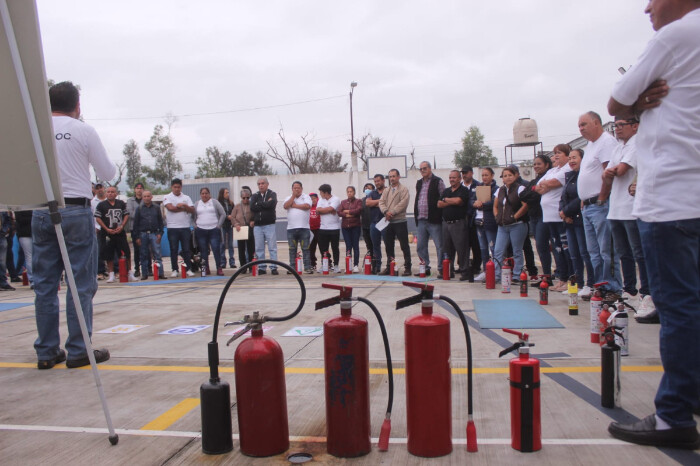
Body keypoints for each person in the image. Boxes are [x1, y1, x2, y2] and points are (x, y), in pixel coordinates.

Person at [606, 0, 700, 449]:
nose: (647, 7)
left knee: (679, 308)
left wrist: (639, 103)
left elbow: (616, 101)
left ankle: (674, 415)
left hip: (672, 199)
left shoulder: (677, 35)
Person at [33, 81, 115, 369]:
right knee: (79, 283)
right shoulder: (83, 130)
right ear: (77, 106)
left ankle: (46, 351)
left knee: (44, 284)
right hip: (76, 211)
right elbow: (107, 171)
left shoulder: (36, 130)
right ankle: (79, 349)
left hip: (42, 209)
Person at [602, 117, 654, 313]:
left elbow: (621, 170)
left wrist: (611, 171)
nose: (618, 129)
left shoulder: (637, 143)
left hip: (631, 209)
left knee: (639, 253)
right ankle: (629, 291)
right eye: (615, 126)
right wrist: (610, 171)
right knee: (624, 254)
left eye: (621, 125)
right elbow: (607, 174)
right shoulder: (618, 147)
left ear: (635, 126)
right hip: (615, 208)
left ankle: (646, 293)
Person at [576, 111, 623, 297]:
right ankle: (600, 286)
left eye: (584, 124)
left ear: (596, 123)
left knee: (607, 251)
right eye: (579, 125)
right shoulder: (590, 145)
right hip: (588, 206)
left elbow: (608, 172)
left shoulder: (606, 142)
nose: (580, 128)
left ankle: (612, 288)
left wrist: (603, 197)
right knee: (593, 252)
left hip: (600, 204)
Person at [535, 144, 573, 292]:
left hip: (559, 215)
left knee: (565, 248)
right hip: (548, 216)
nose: (556, 155)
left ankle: (570, 278)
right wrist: (545, 185)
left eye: (560, 153)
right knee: (557, 248)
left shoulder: (567, 169)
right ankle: (562, 278)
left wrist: (547, 185)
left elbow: (554, 183)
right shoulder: (552, 170)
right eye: (555, 153)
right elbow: (538, 187)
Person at [559, 149, 594, 297]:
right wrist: (563, 212)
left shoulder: (584, 176)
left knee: (584, 252)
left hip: (579, 218)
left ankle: (590, 284)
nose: (572, 161)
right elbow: (563, 197)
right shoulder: (570, 176)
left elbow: (580, 196)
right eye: (570, 158)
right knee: (574, 254)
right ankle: (578, 283)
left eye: (575, 158)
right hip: (569, 221)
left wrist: (566, 211)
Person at [493, 166, 529, 282]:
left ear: (515, 176)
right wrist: (497, 216)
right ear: (502, 178)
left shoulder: (520, 188)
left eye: (510, 175)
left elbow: (525, 205)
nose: (507, 178)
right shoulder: (500, 190)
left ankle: (517, 275)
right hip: (502, 226)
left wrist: (515, 217)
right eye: (505, 176)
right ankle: (496, 275)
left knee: (517, 250)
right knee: (498, 251)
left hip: (517, 225)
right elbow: (495, 205)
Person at [520, 155, 552, 284]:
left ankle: (547, 277)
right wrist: (534, 190)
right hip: (533, 216)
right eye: (534, 164)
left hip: (543, 216)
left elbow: (535, 197)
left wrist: (533, 193)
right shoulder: (534, 181)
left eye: (539, 164)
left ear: (547, 165)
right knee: (540, 247)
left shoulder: (548, 178)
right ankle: (545, 275)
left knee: (543, 246)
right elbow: (523, 195)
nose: (536, 166)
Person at [95, 186, 136, 283]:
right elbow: (97, 218)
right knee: (108, 254)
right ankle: (111, 274)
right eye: (108, 192)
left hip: (119, 232)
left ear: (116, 193)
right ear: (106, 193)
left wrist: (122, 226)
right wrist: (106, 229)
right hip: (107, 233)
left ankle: (130, 272)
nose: (110, 193)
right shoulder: (101, 205)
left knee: (126, 252)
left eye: (112, 192)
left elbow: (126, 215)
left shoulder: (121, 203)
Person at [437, 170, 472, 281]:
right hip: (446, 224)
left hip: (459, 224)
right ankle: (448, 271)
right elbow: (439, 204)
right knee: (447, 250)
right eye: (450, 177)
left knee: (462, 249)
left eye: (454, 178)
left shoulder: (464, 190)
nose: (452, 180)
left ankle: (464, 271)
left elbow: (458, 201)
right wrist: (449, 201)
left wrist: (446, 200)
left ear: (460, 178)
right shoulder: (446, 190)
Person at [379, 169, 412, 276]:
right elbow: (381, 202)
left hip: (400, 221)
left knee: (404, 245)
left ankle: (408, 267)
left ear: (398, 177)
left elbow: (403, 203)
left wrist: (392, 212)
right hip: (388, 222)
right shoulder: (386, 190)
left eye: (394, 176)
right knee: (388, 245)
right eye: (390, 176)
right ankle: (390, 266)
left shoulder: (403, 190)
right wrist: (385, 211)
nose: (392, 178)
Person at [414, 161, 445, 276]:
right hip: (421, 219)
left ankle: (442, 268)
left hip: (434, 220)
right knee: (420, 246)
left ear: (430, 169)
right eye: (421, 169)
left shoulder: (438, 181)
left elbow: (443, 197)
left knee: (439, 246)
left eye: (425, 168)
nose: (423, 170)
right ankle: (425, 268)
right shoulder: (419, 183)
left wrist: (439, 214)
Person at [163, 178, 195, 278]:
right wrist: (184, 208)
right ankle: (175, 269)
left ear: (181, 187)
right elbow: (170, 208)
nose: (177, 189)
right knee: (174, 249)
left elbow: (192, 210)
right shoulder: (167, 197)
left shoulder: (186, 197)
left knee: (186, 249)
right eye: (175, 187)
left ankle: (188, 269)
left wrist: (184, 205)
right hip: (172, 227)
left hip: (185, 227)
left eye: (178, 187)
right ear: (172, 187)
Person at [132, 190, 166, 280]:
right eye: (145, 196)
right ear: (142, 198)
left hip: (154, 233)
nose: (146, 198)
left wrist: (160, 233)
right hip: (143, 234)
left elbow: (160, 221)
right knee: (143, 255)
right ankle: (144, 273)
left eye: (148, 196)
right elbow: (135, 224)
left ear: (151, 197)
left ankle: (160, 273)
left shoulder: (156, 207)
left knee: (157, 254)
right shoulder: (139, 208)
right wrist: (137, 237)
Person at [193, 187, 225, 275]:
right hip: (201, 230)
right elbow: (192, 216)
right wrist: (195, 226)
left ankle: (219, 268)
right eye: (202, 193)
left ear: (209, 194)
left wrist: (219, 225)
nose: (204, 195)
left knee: (216, 249)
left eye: (206, 193)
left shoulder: (215, 202)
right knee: (203, 251)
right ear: (200, 195)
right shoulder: (196, 204)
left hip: (214, 230)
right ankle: (205, 268)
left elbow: (223, 214)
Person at [250, 177, 278, 275]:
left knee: (272, 247)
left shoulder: (272, 194)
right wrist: (265, 204)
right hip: (258, 226)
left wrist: (260, 204)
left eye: (263, 183)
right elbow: (252, 207)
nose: (261, 185)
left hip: (269, 224)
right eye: (259, 184)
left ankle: (274, 267)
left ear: (267, 184)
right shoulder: (254, 195)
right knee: (259, 248)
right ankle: (261, 267)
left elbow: (272, 204)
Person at [473, 167, 498, 282]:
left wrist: (482, 204)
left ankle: (496, 272)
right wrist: (475, 203)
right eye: (482, 175)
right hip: (479, 222)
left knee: (493, 248)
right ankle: (485, 271)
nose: (484, 177)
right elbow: (471, 200)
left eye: (486, 175)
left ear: (492, 176)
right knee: (483, 248)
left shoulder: (497, 189)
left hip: (490, 222)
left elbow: (494, 203)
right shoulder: (478, 188)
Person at [283, 181, 312, 273]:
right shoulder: (288, 198)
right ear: (292, 189)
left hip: (304, 228)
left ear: (302, 189)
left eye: (298, 188)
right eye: (294, 188)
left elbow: (307, 206)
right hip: (291, 229)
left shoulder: (306, 197)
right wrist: (293, 197)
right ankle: (292, 267)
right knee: (292, 249)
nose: (296, 189)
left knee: (305, 249)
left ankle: (307, 267)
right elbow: (286, 206)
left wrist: (294, 205)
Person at [316, 184, 342, 273]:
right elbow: (318, 210)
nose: (320, 194)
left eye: (321, 192)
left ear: (325, 192)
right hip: (323, 228)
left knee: (335, 247)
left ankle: (336, 265)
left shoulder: (336, 199)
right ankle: (325, 264)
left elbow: (330, 209)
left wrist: (325, 210)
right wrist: (328, 210)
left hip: (334, 228)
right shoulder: (321, 200)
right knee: (323, 248)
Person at [461, 166, 482, 276]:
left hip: (474, 218)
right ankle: (463, 266)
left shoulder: (478, 185)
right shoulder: (460, 186)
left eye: (466, 172)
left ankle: (476, 266)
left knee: (475, 244)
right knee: (463, 245)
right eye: (463, 173)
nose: (464, 175)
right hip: (461, 219)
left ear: (471, 173)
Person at [338, 186, 363, 272]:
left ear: (354, 192)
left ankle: (356, 265)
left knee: (355, 245)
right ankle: (348, 265)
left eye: (351, 191)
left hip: (355, 226)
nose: (349, 193)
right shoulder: (343, 202)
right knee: (348, 246)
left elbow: (358, 210)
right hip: (345, 227)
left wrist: (347, 211)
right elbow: (339, 212)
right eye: (348, 191)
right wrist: (347, 214)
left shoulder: (358, 201)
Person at [366, 175, 386, 274]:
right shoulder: (371, 193)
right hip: (374, 222)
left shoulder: (388, 191)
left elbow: (389, 203)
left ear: (383, 181)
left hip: (386, 222)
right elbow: (368, 203)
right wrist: (381, 202)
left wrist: (376, 203)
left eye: (378, 181)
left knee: (389, 245)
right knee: (375, 246)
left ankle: (390, 265)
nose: (377, 183)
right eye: (375, 181)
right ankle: (377, 266)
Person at [232, 187, 255, 271]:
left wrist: (253, 221)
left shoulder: (252, 205)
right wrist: (236, 224)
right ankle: (243, 266)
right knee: (241, 249)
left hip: (249, 228)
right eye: (244, 198)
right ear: (241, 197)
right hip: (240, 229)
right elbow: (233, 217)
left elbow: (255, 215)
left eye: (247, 197)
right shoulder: (237, 206)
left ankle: (251, 266)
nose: (246, 199)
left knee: (251, 248)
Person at [125, 182, 144, 277]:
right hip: (135, 228)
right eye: (137, 188)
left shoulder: (146, 199)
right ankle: (137, 269)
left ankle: (148, 268)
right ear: (134, 190)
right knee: (137, 250)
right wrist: (142, 215)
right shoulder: (130, 200)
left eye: (141, 188)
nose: (139, 190)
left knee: (146, 250)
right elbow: (130, 213)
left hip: (145, 228)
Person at [217, 187, 237, 270]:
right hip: (222, 225)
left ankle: (232, 262)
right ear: (222, 194)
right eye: (226, 193)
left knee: (230, 244)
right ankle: (222, 262)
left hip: (230, 225)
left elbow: (234, 212)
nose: (228, 194)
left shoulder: (231, 203)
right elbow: (219, 214)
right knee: (222, 244)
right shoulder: (218, 203)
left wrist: (232, 219)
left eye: (228, 193)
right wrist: (226, 217)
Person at [91, 182, 107, 280]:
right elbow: (91, 216)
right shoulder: (92, 202)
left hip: (110, 228)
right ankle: (100, 271)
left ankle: (115, 270)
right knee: (99, 250)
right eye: (97, 188)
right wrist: (94, 227)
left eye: (101, 188)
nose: (99, 190)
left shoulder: (109, 200)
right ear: (95, 190)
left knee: (111, 249)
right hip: (98, 229)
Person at [15, 210, 34, 288]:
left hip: (33, 233)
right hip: (25, 234)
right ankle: (33, 280)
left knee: (34, 257)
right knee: (29, 257)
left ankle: (36, 279)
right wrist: (34, 217)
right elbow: (20, 219)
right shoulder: (19, 207)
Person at [360, 182, 375, 261]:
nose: (367, 190)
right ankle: (370, 260)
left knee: (375, 245)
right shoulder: (362, 200)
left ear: (373, 190)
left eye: (369, 188)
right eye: (365, 188)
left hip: (373, 225)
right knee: (368, 246)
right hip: (365, 226)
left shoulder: (375, 199)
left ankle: (376, 263)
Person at [0, 212, 14, 291]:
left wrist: (4, 230)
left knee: (2, 262)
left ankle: (3, 282)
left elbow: (8, 220)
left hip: (1, 236)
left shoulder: (2, 209)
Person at [308, 193, 321, 271]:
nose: (313, 200)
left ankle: (327, 263)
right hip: (311, 230)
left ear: (317, 199)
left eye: (314, 198)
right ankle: (313, 264)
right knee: (311, 248)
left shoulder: (319, 206)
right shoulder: (308, 207)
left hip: (319, 229)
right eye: (311, 199)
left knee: (323, 247)